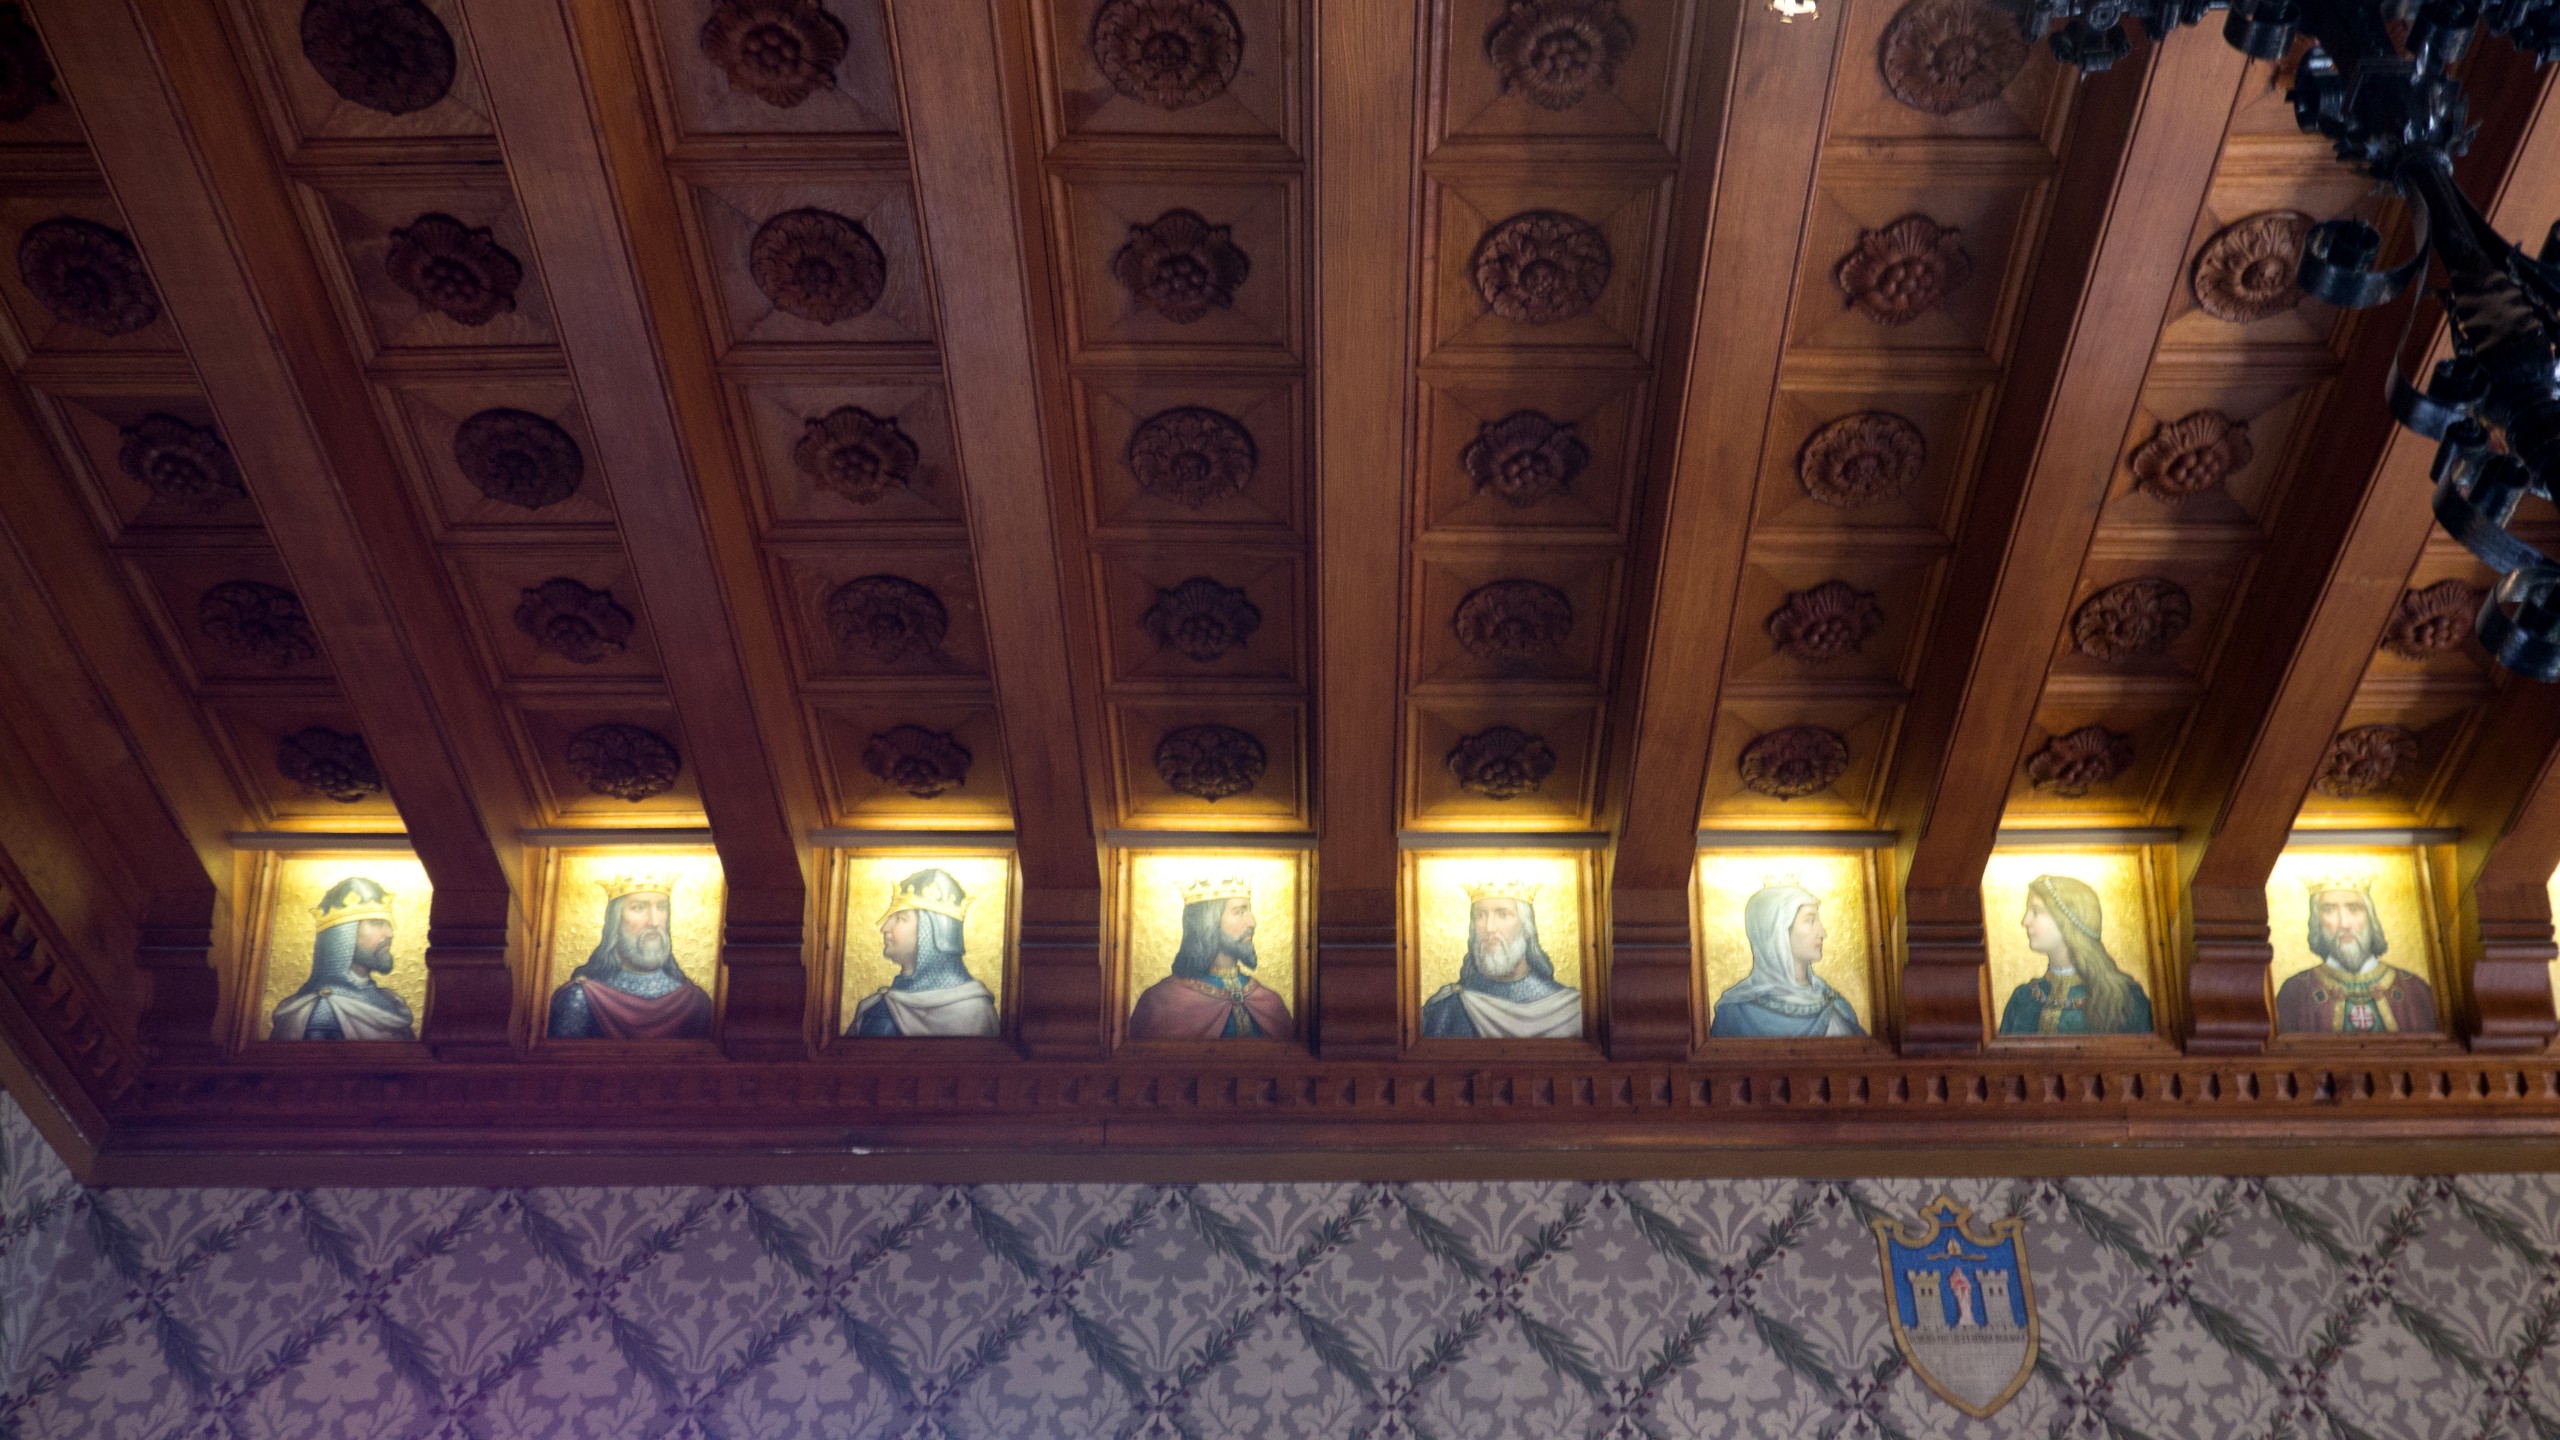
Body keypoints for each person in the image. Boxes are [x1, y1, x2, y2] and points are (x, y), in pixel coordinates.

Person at [548, 872, 713, 1039]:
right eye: (639, 908)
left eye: (662, 907)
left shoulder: (695, 1001)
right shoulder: (581, 997)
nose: (654, 922)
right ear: (615, 922)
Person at [1126, 876, 1292, 1040]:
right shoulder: (1160, 1003)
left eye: (1249, 911)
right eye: (1240, 912)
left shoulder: (1269, 1002)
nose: (1252, 923)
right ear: (1208, 921)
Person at [1419, 880, 1582, 1039]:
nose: (1489, 927)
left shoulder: (1571, 1009)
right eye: (1480, 915)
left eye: (1503, 914)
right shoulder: (1450, 1006)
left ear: (1526, 928)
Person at [847, 868, 998, 1037]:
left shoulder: (974, 1013)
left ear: (931, 931)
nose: (885, 928)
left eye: (900, 918)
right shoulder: (875, 1007)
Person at [1997, 874, 2153, 1037]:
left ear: (2066, 921)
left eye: (2036, 912)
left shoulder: (2126, 999)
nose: (2025, 921)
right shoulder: (2023, 998)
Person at [2275, 876, 2436, 1034]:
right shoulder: (2295, 992)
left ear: (2371, 918)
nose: (2344, 924)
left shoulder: (2414, 990)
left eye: (2354, 909)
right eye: (2329, 910)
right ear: (2317, 921)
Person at [1709, 881, 1862, 1038]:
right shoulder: (1735, 1014)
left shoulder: (1834, 1004)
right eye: (1810, 921)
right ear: (1776, 933)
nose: (1822, 933)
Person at [268, 876, 414, 1041]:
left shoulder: (389, 1001)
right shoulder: (324, 1012)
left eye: (388, 924)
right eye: (376, 923)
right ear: (343, 936)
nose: (390, 933)